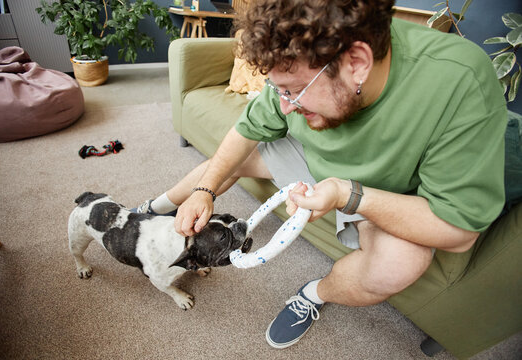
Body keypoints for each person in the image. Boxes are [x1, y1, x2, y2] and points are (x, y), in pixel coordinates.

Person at [135, 0, 507, 349]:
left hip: (382, 187)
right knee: (232, 161)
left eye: (293, 91)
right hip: (313, 154)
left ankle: (313, 294)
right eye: (278, 90)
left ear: (357, 62)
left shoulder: (459, 80)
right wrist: (204, 190)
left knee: (399, 263)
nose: (283, 105)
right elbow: (246, 130)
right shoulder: (298, 68)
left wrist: (348, 194)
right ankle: (153, 207)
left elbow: (458, 231)